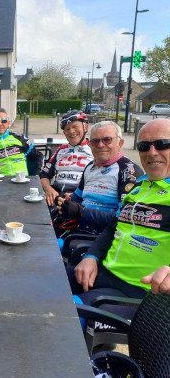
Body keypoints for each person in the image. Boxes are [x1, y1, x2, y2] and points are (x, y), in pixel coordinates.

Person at [68, 118, 170, 319]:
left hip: (142, 295)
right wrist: (91, 257)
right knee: (46, 280)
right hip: (105, 273)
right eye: (144, 146)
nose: (152, 152)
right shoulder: (138, 187)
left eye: (162, 144)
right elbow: (112, 229)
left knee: (63, 315)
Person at [57, 121, 143, 236]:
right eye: (95, 141)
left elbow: (125, 218)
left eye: (107, 140)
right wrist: (63, 200)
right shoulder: (90, 166)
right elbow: (77, 197)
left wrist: (81, 212)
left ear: (120, 143)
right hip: (79, 231)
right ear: (90, 144)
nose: (100, 145)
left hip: (105, 238)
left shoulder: (129, 171)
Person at [40, 110, 93, 207]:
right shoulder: (60, 150)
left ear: (85, 127)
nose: (71, 131)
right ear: (64, 132)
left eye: (75, 126)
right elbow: (44, 175)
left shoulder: (94, 150)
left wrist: (78, 195)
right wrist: (48, 189)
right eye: (67, 129)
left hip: (80, 202)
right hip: (56, 198)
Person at [0, 108, 43, 176]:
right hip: (0, 182)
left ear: (8, 123)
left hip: (22, 180)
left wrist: (36, 175)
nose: (0, 124)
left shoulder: (20, 138)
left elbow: (39, 155)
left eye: (3, 120)